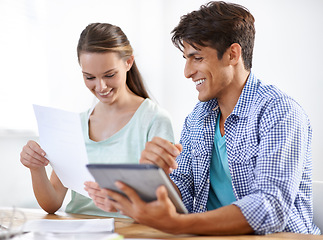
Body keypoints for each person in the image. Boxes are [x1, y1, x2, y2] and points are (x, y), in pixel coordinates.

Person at [86, 1, 321, 235]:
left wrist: (177, 224)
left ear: (232, 54)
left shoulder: (280, 112)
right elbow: (184, 195)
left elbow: (269, 208)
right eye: (186, 59)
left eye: (197, 58)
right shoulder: (197, 119)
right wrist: (151, 183)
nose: (187, 72)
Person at [20, 23, 175, 218]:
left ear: (128, 62)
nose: (101, 87)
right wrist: (36, 168)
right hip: (77, 230)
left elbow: (166, 202)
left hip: (130, 232)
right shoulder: (76, 125)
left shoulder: (154, 120)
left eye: (109, 75)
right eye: (89, 77)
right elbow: (52, 203)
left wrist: (121, 200)